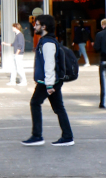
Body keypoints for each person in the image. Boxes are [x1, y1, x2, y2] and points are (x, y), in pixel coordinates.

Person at [21, 15, 74, 147]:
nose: (34, 26)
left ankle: (37, 135)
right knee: (58, 108)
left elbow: (49, 64)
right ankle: (67, 136)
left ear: (44, 27)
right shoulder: (47, 40)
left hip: (48, 82)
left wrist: (49, 84)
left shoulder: (48, 43)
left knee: (35, 103)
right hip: (51, 80)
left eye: (37, 24)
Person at [7, 21, 26, 88]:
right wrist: (5, 44)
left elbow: (20, 46)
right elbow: (14, 44)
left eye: (13, 27)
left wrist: (16, 54)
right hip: (17, 54)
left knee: (19, 68)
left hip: (18, 54)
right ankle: (12, 81)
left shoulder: (19, 35)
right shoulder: (18, 35)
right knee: (14, 68)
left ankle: (24, 81)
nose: (12, 28)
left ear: (16, 27)